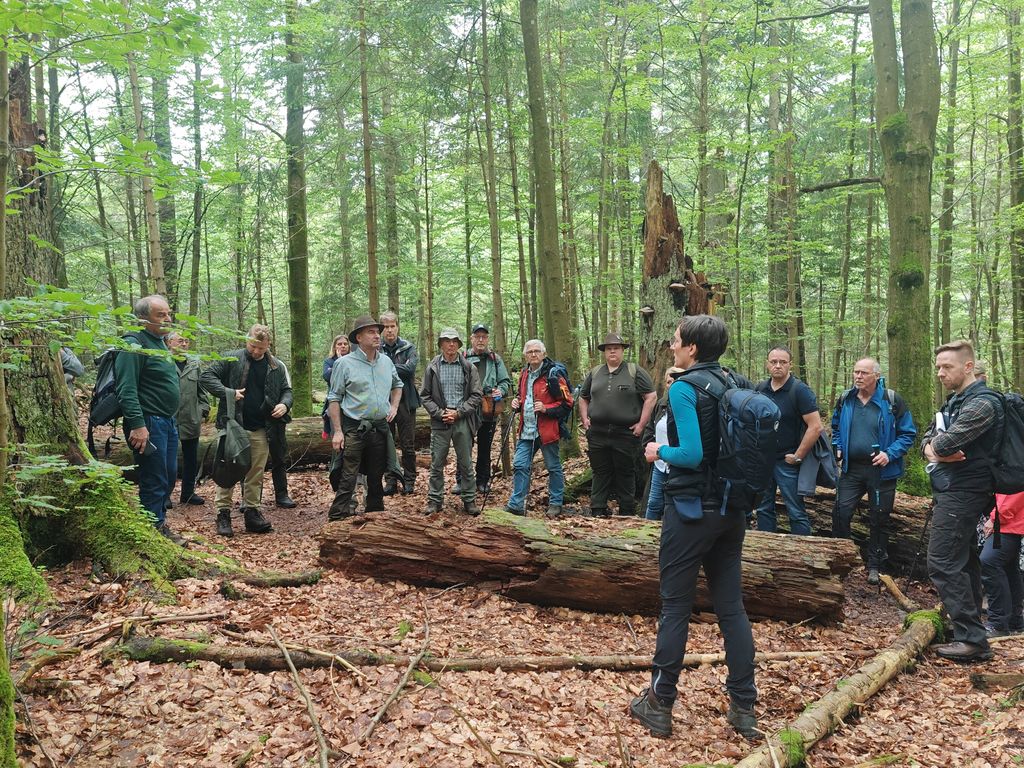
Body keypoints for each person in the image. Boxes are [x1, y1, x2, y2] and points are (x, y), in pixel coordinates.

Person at [629, 314, 758, 740]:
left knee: (675, 607)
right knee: (732, 609)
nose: (672, 346)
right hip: (731, 511)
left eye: (676, 340)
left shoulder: (685, 389)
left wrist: (657, 450)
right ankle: (744, 707)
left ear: (693, 349)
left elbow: (691, 454)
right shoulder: (734, 382)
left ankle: (659, 703)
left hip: (690, 512)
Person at [922, 339, 1003, 662]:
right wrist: (934, 449)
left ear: (968, 367)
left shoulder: (983, 404)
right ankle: (970, 633)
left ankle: (971, 639)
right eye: (938, 367)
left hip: (966, 492)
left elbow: (944, 444)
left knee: (941, 560)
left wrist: (936, 449)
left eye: (947, 367)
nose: (940, 373)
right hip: (952, 489)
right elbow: (928, 440)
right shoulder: (955, 401)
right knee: (964, 560)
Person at [830, 358, 917, 584]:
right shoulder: (846, 399)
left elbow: (908, 434)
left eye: (864, 373)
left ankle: (875, 565)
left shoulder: (891, 400)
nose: (858, 376)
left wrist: (889, 454)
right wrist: (838, 446)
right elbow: (836, 426)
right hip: (851, 469)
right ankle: (842, 558)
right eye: (856, 372)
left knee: (879, 518)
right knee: (840, 512)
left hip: (881, 471)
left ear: (876, 376)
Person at [201, 325, 293, 537]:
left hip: (262, 427)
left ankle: (252, 513)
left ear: (268, 345)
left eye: (261, 348)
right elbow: (206, 377)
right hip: (233, 426)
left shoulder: (276, 366)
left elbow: (287, 391)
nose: (256, 351)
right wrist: (228, 392)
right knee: (227, 469)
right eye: (253, 346)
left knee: (255, 473)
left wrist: (284, 404)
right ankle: (223, 513)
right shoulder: (231, 358)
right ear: (247, 340)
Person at [113, 295, 184, 544]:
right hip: (148, 423)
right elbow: (126, 389)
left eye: (168, 313)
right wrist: (138, 425)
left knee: (169, 474)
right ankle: (153, 531)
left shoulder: (160, 343)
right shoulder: (133, 345)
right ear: (143, 319)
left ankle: (159, 522)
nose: (168, 319)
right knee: (154, 478)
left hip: (167, 422)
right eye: (160, 315)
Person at [327, 314, 403, 520]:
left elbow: (398, 385)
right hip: (354, 428)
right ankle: (338, 516)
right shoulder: (344, 364)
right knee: (348, 474)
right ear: (358, 338)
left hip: (379, 428)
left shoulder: (386, 362)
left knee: (376, 475)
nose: (377, 335)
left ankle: (375, 516)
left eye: (377, 332)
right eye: (371, 332)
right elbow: (334, 398)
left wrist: (394, 407)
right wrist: (338, 431)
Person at [580, 332, 657, 517]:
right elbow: (583, 397)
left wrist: (641, 425)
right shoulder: (595, 372)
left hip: (625, 433)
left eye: (616, 348)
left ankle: (627, 510)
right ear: (604, 352)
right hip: (597, 432)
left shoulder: (634, 371)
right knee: (600, 471)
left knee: (625, 471)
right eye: (609, 349)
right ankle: (597, 508)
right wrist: (585, 419)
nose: (612, 351)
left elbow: (651, 396)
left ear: (622, 351)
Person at [753, 346, 823, 535]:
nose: (778, 366)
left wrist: (798, 456)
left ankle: (802, 550)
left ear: (790, 365)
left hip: (787, 462)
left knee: (796, 511)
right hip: (764, 461)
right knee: (763, 509)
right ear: (767, 364)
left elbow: (815, 426)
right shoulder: (760, 389)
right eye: (773, 362)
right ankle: (767, 548)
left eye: (782, 362)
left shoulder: (799, 390)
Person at [505, 339, 573, 518]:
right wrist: (517, 403)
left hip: (547, 430)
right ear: (525, 356)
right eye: (530, 352)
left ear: (544, 354)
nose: (533, 354)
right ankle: (516, 504)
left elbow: (567, 403)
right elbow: (523, 397)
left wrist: (546, 408)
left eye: (537, 351)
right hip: (526, 429)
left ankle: (556, 503)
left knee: (553, 467)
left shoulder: (553, 374)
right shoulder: (524, 374)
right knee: (520, 465)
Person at [420, 328, 484, 515]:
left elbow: (476, 395)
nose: (451, 344)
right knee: (436, 463)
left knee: (466, 463)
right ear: (441, 344)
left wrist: (459, 413)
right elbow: (425, 395)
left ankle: (469, 500)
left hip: (462, 420)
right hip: (440, 421)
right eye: (447, 341)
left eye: (454, 341)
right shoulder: (432, 367)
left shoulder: (468, 367)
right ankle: (434, 501)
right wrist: (440, 413)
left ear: (459, 344)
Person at [464, 323, 513, 495]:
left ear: (487, 339)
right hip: (468, 409)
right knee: (464, 446)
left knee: (485, 447)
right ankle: (462, 481)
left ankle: (482, 481)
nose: (480, 340)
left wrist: (501, 390)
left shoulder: (495, 359)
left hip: (488, 407)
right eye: (477, 336)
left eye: (484, 337)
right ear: (471, 338)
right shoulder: (463, 357)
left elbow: (505, 381)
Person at [166, 332, 210, 507]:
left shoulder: (194, 364)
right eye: (180, 341)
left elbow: (201, 390)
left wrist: (202, 410)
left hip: (191, 418)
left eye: (186, 341)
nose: (184, 344)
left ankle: (188, 493)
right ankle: (165, 495)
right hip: (169, 418)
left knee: (191, 459)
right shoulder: (163, 362)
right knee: (167, 459)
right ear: (169, 342)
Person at [380, 311, 420, 495]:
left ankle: (409, 480)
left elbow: (409, 370)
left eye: (392, 326)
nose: (389, 330)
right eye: (386, 327)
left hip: (406, 401)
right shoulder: (377, 348)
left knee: (408, 444)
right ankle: (391, 481)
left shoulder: (408, 347)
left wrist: (385, 366)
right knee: (386, 443)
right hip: (383, 401)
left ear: (397, 327)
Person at [642, 367, 684, 521]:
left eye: (676, 380)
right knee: (653, 503)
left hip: (679, 464)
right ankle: (646, 532)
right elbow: (650, 428)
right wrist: (648, 447)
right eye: (669, 381)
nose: (672, 384)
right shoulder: (661, 404)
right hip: (659, 463)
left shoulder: (687, 405)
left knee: (676, 504)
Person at [981, 493, 1024, 638]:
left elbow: (1012, 493)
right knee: (1009, 568)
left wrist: (995, 518)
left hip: (1007, 522)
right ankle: (1014, 621)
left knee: (989, 562)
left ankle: (998, 623)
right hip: (1012, 521)